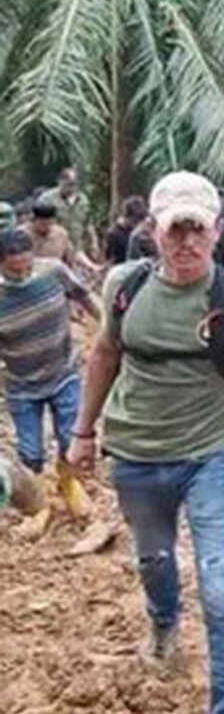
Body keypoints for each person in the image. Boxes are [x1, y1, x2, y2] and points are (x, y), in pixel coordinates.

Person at [67, 171, 224, 714]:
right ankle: (164, 622)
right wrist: (83, 433)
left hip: (209, 460)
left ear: (217, 232)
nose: (186, 242)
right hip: (136, 456)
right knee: (155, 560)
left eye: (197, 229)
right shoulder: (123, 288)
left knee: (223, 591)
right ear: (153, 232)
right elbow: (104, 355)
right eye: (175, 230)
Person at [0, 227, 99, 532]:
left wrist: (106, 326)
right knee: (31, 451)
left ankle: (69, 486)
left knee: (71, 438)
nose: (23, 273)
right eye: (15, 270)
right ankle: (38, 504)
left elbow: (84, 295)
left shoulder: (53, 271)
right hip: (21, 383)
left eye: (27, 266)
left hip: (63, 373)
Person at [22, 201, 98, 276]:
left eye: (49, 224)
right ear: (33, 220)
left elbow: (73, 255)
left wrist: (91, 266)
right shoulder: (22, 235)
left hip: (56, 277)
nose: (46, 228)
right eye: (42, 224)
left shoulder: (60, 234)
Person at [41, 167, 94, 254]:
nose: (71, 188)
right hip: (55, 247)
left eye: (74, 184)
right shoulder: (47, 199)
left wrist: (93, 244)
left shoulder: (83, 200)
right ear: (59, 181)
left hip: (77, 248)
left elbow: (88, 224)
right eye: (68, 184)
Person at [106, 195, 148, 267]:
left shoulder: (139, 232)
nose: (137, 225)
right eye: (135, 221)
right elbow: (111, 260)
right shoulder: (113, 234)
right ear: (127, 217)